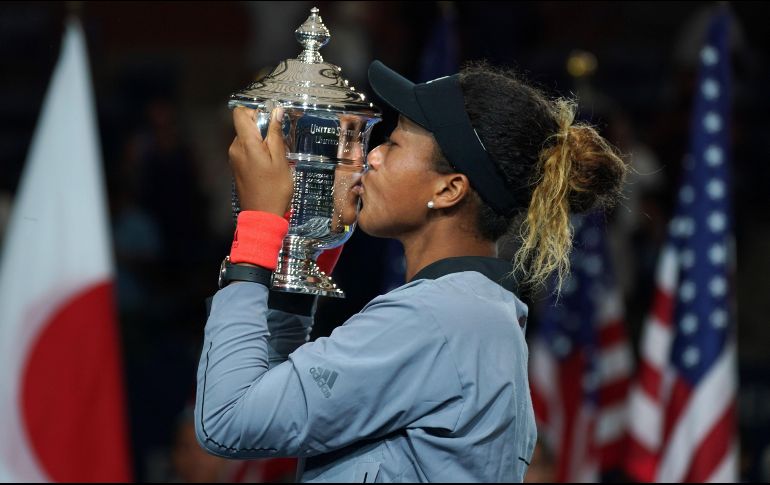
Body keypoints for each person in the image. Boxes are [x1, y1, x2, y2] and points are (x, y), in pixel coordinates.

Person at [194, 60, 627, 482]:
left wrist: (257, 228)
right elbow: (272, 407)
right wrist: (307, 250)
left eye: (394, 144)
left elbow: (228, 419)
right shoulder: (469, 311)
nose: (372, 157)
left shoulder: (434, 319)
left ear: (449, 188)